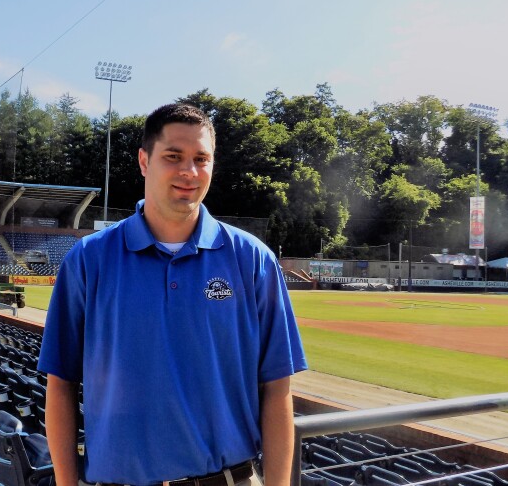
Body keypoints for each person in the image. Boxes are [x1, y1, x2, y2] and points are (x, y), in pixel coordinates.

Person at [38, 103, 307, 486]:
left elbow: (278, 388)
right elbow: (60, 383)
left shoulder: (253, 260)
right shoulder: (88, 259)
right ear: (144, 161)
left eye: (201, 159)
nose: (189, 171)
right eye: (173, 156)